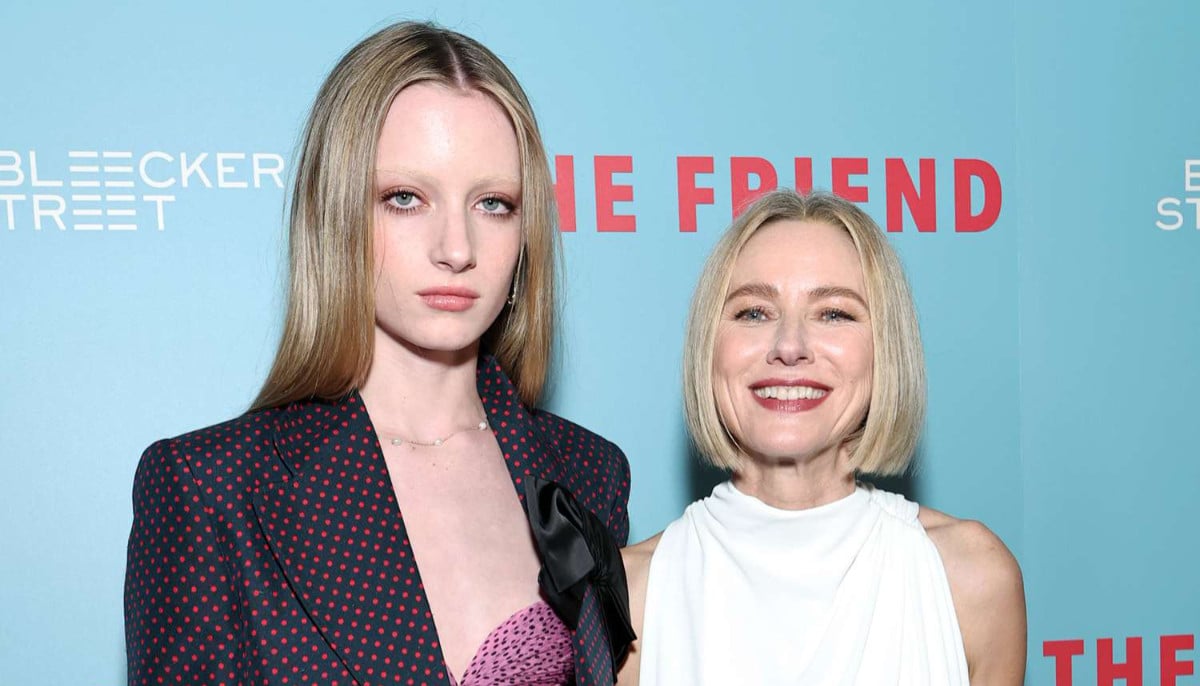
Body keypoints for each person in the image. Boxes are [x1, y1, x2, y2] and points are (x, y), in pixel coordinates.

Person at [124, 21, 631, 686]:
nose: (457, 248)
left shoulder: (590, 473)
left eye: (493, 203)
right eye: (405, 199)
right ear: (337, 216)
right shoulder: (210, 487)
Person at [619, 190, 1026, 685]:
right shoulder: (628, 598)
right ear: (709, 347)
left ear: (884, 350)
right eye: (754, 312)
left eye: (834, 313)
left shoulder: (973, 580)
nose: (789, 346)